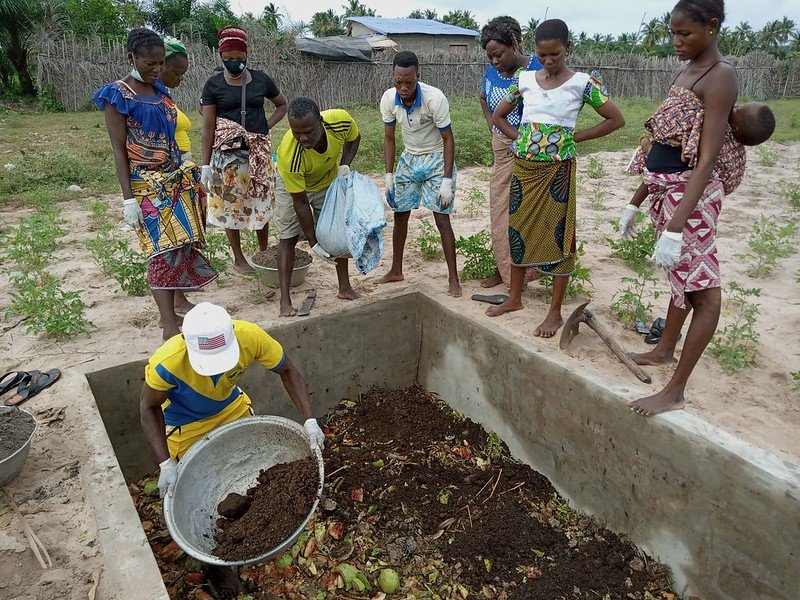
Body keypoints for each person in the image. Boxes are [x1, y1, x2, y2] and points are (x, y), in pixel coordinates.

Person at [619, 0, 752, 417]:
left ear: (712, 27)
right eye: (673, 33)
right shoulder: (685, 68)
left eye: (685, 33)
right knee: (682, 279)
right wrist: (636, 201)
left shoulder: (720, 76)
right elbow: (666, 140)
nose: (676, 41)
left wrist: (677, 227)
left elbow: (706, 157)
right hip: (668, 192)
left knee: (704, 295)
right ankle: (663, 349)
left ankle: (675, 390)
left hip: (691, 199)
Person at [140, 302, 324, 597]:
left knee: (259, 475)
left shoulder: (250, 336)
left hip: (232, 408)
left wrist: (310, 420)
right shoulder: (168, 362)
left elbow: (288, 370)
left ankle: (258, 520)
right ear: (188, 347)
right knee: (202, 491)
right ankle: (217, 565)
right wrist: (165, 464)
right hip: (186, 426)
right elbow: (148, 409)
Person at [489, 19, 624, 337]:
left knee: (560, 237)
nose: (548, 61)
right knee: (517, 232)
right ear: (535, 52)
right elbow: (498, 115)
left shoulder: (583, 83)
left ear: (567, 49)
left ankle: (554, 313)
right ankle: (514, 299)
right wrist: (518, 138)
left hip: (557, 173)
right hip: (524, 169)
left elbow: (615, 119)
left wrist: (575, 137)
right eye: (543, 55)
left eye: (555, 55)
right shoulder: (524, 79)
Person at [94, 28, 217, 341]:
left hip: (174, 179)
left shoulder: (161, 90)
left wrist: (188, 165)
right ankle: (167, 323)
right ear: (132, 58)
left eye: (161, 63)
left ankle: (177, 303)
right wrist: (128, 199)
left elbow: (170, 136)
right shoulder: (118, 96)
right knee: (162, 250)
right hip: (145, 186)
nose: (156, 69)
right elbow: (119, 151)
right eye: (150, 63)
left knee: (183, 242)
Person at [200, 26, 288, 275]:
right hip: (228, 158)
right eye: (229, 59)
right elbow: (208, 127)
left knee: (261, 201)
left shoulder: (261, 79)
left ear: (246, 56)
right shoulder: (213, 85)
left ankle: (262, 251)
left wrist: (263, 127)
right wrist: (205, 164)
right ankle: (239, 258)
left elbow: (281, 105)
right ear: (221, 56)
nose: (234, 64)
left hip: (257, 154)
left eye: (239, 59)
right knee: (231, 206)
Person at [378, 51, 462, 298]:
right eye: (398, 82)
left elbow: (448, 140)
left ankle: (453, 278)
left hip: (436, 158)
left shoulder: (434, 99)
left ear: (418, 76)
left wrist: (447, 181)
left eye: (409, 82)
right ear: (393, 77)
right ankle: (396, 269)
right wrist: (389, 175)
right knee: (400, 215)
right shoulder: (388, 99)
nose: (403, 87)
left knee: (441, 217)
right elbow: (389, 138)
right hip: (410, 158)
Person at [274, 97, 361, 316]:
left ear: (320, 122)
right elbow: (301, 202)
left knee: (337, 232)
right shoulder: (290, 155)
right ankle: (285, 301)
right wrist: (312, 241)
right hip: (292, 187)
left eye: (309, 131)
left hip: (326, 181)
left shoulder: (340, 121)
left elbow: (354, 138)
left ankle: (345, 288)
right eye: (297, 132)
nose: (303, 138)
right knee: (288, 237)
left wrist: (345, 166)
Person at [479, 16, 542, 289]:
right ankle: (503, 269)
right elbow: (483, 97)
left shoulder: (538, 68)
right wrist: (492, 127)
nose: (495, 61)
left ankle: (526, 275)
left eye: (499, 54)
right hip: (503, 150)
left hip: (532, 152)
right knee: (500, 212)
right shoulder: (492, 74)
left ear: (515, 44)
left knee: (527, 213)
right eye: (490, 56)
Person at [160, 36, 193, 163]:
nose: (180, 79)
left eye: (182, 74)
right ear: (160, 65)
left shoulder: (165, 96)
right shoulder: (149, 99)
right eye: (177, 73)